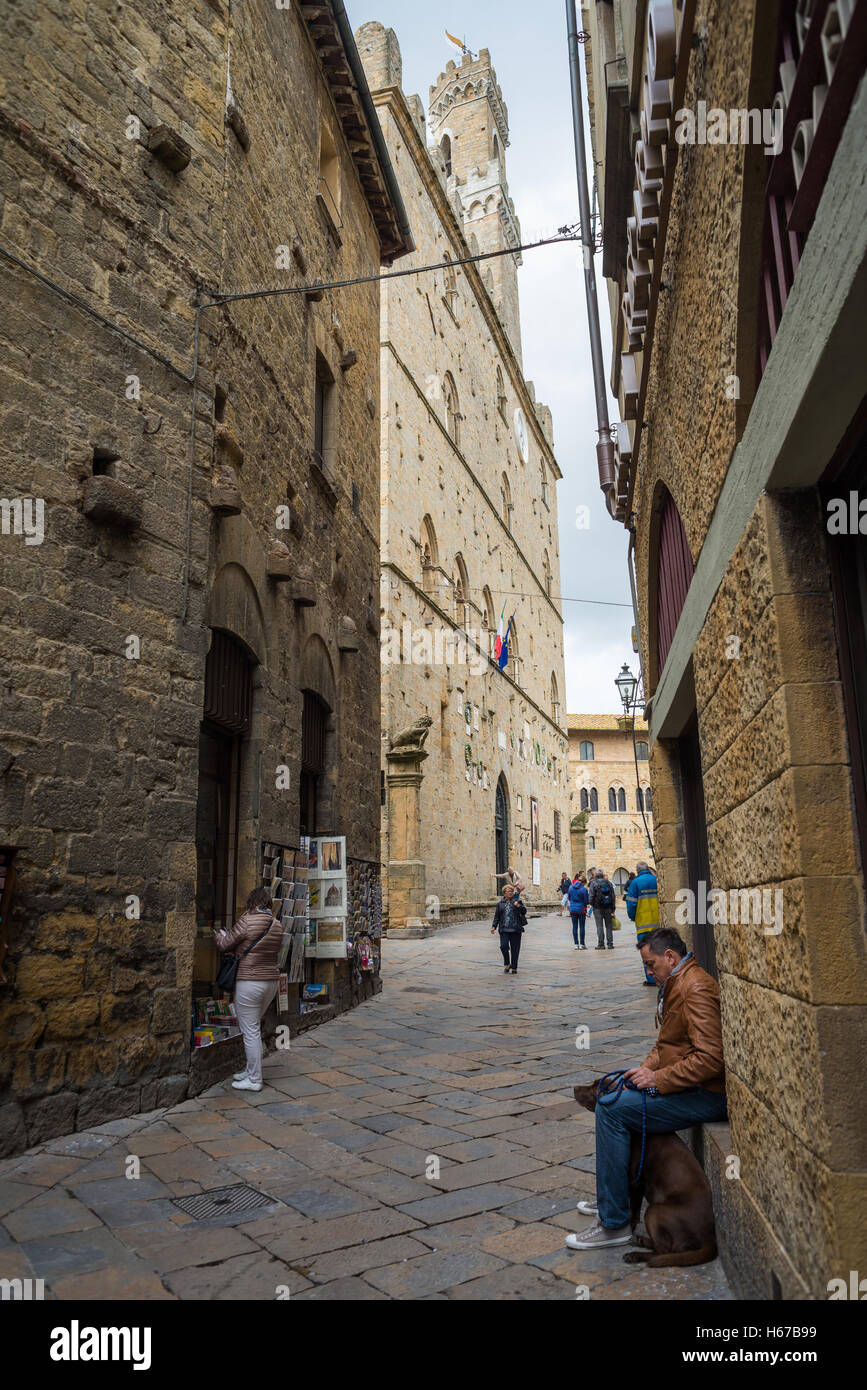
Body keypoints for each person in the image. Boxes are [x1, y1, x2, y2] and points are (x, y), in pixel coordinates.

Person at [565, 927, 727, 1250]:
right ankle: (615, 1198)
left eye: (651, 964)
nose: (648, 971)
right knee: (616, 1093)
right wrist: (645, 1069)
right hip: (687, 1086)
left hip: (708, 1096)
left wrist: (658, 1080)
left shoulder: (693, 988)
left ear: (670, 957)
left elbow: (712, 1058)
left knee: (611, 1109)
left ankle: (614, 1224)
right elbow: (666, 1043)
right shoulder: (676, 982)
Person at [213, 887, 283, 1092]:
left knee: (249, 1030)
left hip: (249, 981)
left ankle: (254, 1079)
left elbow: (225, 944)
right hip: (270, 982)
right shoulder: (277, 924)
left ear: (252, 902)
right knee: (253, 1027)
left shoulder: (246, 920)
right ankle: (250, 1070)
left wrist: (219, 935)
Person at [626, 860, 660, 985]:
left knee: (646, 952)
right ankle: (661, 975)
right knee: (658, 950)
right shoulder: (656, 879)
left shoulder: (635, 883)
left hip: (643, 924)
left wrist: (633, 916)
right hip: (657, 922)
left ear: (638, 871)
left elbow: (631, 904)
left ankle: (651, 979)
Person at [490, 882, 527, 974]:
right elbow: (497, 917)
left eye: (511, 891)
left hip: (515, 929)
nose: (510, 893)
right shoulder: (500, 904)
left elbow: (524, 911)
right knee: (503, 946)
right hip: (504, 929)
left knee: (515, 949)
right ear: (504, 893)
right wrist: (494, 926)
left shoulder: (517, 901)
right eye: (508, 891)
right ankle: (507, 963)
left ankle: (514, 967)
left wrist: (518, 906)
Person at [588, 869, 616, 949]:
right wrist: (613, 908)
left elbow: (591, 896)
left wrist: (592, 904)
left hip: (597, 908)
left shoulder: (593, 883)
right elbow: (613, 896)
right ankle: (610, 944)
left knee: (599, 926)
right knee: (609, 926)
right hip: (608, 907)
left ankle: (601, 944)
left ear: (596, 875)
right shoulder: (608, 883)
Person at [567, 874, 589, 950]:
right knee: (582, 926)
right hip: (581, 909)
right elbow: (586, 901)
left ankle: (576, 944)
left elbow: (569, 898)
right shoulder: (583, 889)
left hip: (573, 909)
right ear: (583, 882)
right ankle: (582, 944)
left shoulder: (570, 888)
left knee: (574, 927)